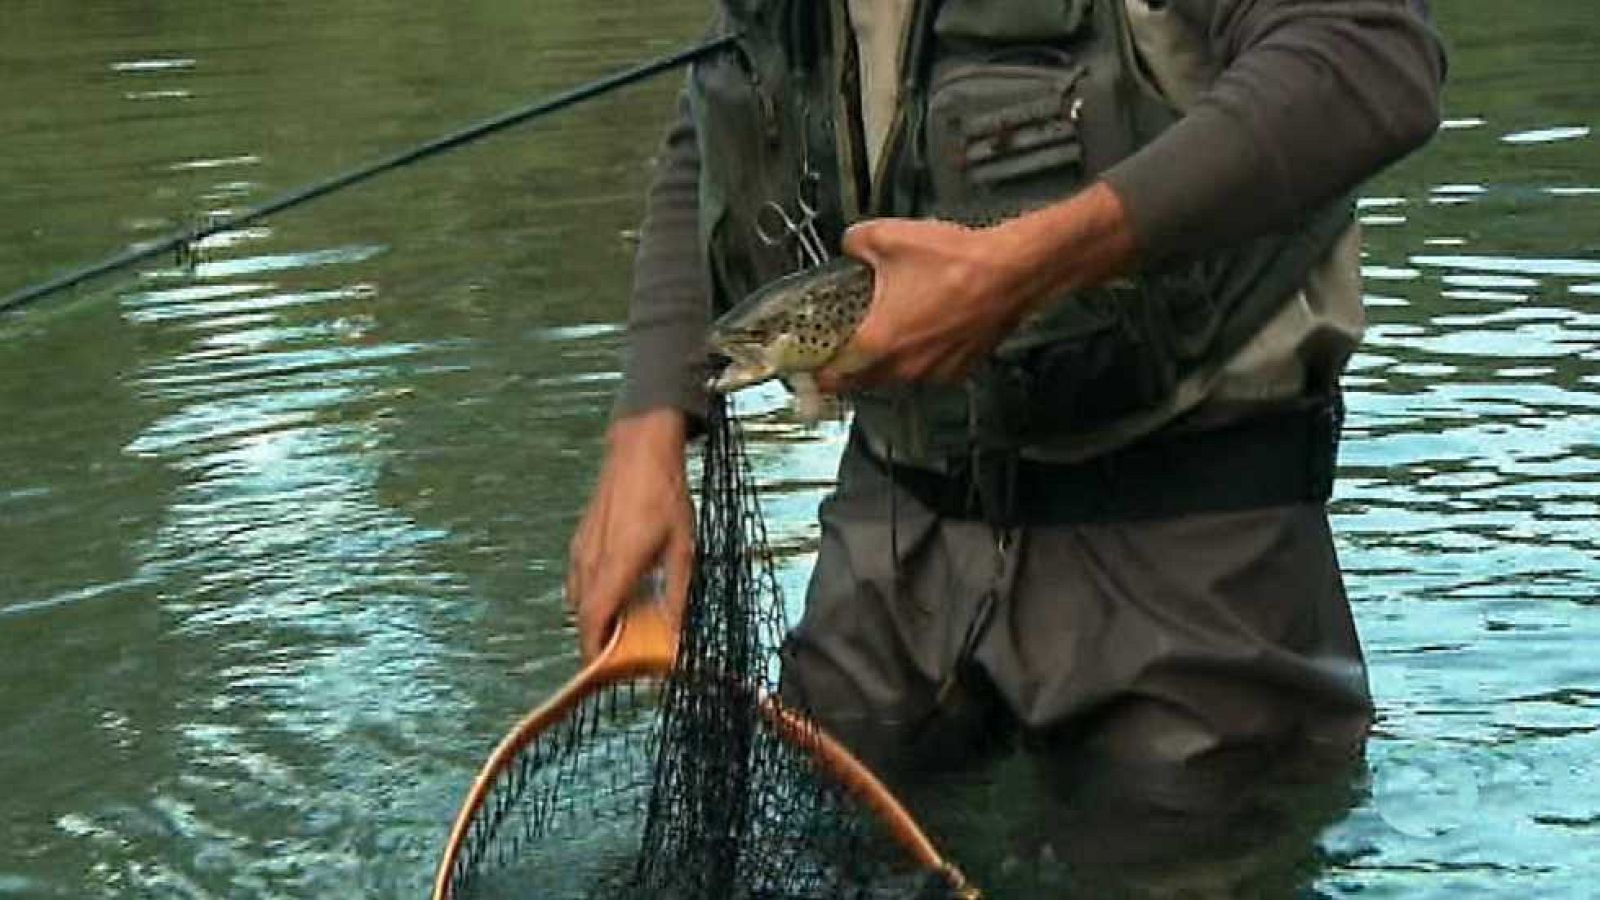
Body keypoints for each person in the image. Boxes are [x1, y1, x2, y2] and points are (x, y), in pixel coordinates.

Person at [568, 0, 1445, 810]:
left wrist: (1023, 271)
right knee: (825, 843)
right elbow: (726, 93)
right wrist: (649, 421)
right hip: (893, 538)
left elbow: (1369, 56)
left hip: (1188, 533)